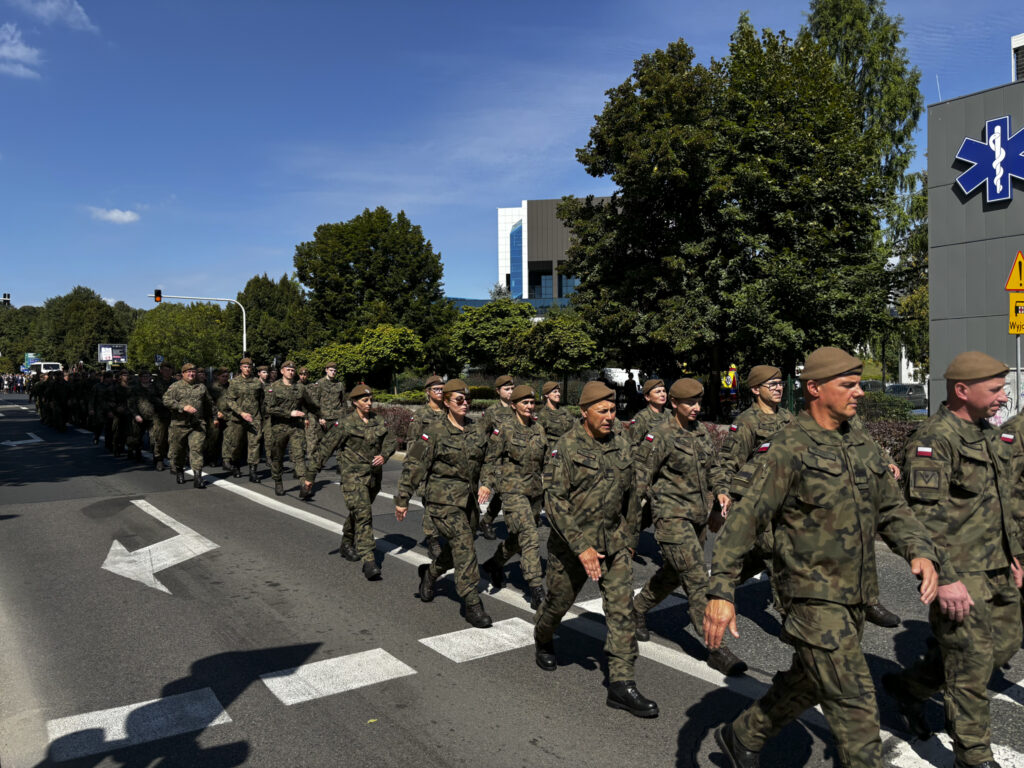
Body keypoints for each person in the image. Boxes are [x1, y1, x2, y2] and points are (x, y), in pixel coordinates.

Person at [704, 347, 948, 768]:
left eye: (858, 383)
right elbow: (745, 520)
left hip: (856, 593)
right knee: (857, 711)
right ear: (815, 388)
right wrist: (721, 589)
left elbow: (892, 507)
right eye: (848, 384)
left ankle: (745, 734)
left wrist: (918, 549)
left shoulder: (859, 441)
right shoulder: (788, 447)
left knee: (810, 679)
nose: (860, 392)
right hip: (810, 596)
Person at [882, 351, 1024, 768]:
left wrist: (1017, 555)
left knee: (1005, 645)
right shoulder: (934, 439)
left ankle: (909, 689)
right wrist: (944, 577)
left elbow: (1006, 502)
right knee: (971, 663)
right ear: (963, 390)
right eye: (995, 389)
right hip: (960, 571)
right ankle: (974, 757)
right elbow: (921, 518)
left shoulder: (985, 434)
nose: (1004, 397)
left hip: (998, 565)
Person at [534, 380, 658, 718]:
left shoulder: (621, 442)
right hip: (571, 547)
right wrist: (581, 547)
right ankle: (542, 636)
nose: (609, 416)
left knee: (621, 611)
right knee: (557, 604)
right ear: (584, 412)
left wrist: (630, 538)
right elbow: (554, 501)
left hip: (614, 543)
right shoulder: (567, 446)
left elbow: (633, 494)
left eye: (612, 409)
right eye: (602, 410)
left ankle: (621, 684)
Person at [633, 377, 748, 676]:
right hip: (671, 519)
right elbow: (640, 479)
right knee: (697, 578)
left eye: (699, 402)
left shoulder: (700, 434)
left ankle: (636, 609)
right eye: (690, 403)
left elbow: (716, 469)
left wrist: (721, 491)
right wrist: (629, 523)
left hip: (696, 519)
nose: (697, 408)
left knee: (673, 573)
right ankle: (716, 648)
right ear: (674, 404)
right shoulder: (659, 436)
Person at [395, 379, 492, 628]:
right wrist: (403, 498)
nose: (465, 403)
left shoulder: (476, 429)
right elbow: (414, 464)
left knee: (458, 548)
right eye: (459, 399)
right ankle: (472, 603)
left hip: (468, 501)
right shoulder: (433, 431)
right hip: (441, 501)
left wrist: (487, 482)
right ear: (447, 401)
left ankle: (430, 573)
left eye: (468, 399)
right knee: (465, 545)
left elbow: (491, 460)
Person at [479, 384, 548, 608]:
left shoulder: (538, 429)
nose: (529, 406)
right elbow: (491, 459)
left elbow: (546, 460)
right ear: (514, 405)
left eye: (532, 402)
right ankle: (536, 588)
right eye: (525, 403)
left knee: (519, 538)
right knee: (529, 535)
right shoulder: (505, 429)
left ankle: (494, 563)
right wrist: (487, 484)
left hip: (535, 492)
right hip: (512, 490)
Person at [332, 384, 396, 580]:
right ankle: (369, 560)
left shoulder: (378, 420)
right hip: (352, 476)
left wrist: (384, 455)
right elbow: (326, 446)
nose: (369, 403)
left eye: (370, 400)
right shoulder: (345, 423)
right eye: (365, 400)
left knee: (359, 510)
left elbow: (390, 440)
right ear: (354, 402)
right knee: (364, 515)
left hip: (373, 477)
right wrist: (309, 476)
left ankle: (346, 541)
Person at [264, 360, 321, 498]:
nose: (291, 372)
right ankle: (278, 481)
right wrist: (289, 413)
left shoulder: (300, 388)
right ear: (282, 371)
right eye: (288, 369)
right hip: (279, 427)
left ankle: (303, 484)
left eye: (292, 370)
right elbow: (269, 409)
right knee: (277, 457)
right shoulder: (273, 387)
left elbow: (311, 405)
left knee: (299, 456)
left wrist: (322, 417)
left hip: (296, 427)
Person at [406, 375, 447, 559]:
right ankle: (433, 541)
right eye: (436, 389)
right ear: (428, 392)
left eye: (442, 389)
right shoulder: (421, 415)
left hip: (447, 467)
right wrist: (414, 470)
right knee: (430, 506)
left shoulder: (449, 411)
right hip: (428, 468)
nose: (440, 392)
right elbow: (414, 443)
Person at [162, 363, 214, 488]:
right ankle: (180, 470)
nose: (191, 374)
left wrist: (216, 416)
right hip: (179, 425)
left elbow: (209, 404)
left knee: (197, 449)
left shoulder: (201, 387)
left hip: (197, 424)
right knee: (179, 451)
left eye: (193, 372)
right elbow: (166, 400)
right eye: (188, 372)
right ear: (183, 373)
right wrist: (182, 407)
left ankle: (198, 477)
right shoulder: (175, 386)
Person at [478, 374, 516, 540]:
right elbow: (481, 435)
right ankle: (487, 521)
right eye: (506, 389)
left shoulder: (518, 408)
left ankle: (488, 520)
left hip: (514, 459)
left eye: (512, 389)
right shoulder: (492, 412)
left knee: (505, 493)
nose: (510, 392)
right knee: (502, 492)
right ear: (498, 391)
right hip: (496, 459)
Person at [222, 357, 264, 482]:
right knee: (236, 445)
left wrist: (261, 416)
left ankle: (253, 471)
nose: (247, 369)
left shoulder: (257, 383)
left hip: (254, 418)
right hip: (238, 419)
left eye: (249, 367)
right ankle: (235, 466)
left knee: (254, 444)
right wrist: (241, 413)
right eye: (245, 367)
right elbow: (229, 400)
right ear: (241, 368)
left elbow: (261, 400)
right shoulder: (234, 382)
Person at [535, 381, 575, 449]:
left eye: (558, 391)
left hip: (568, 448)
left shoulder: (565, 411)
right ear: (546, 395)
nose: (558, 394)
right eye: (555, 392)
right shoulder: (543, 414)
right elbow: (540, 438)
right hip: (552, 452)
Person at [150, 362, 175, 470]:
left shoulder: (175, 383)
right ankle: (158, 458)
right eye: (165, 370)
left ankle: (173, 459)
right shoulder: (155, 383)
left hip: (173, 414)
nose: (167, 372)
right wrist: (165, 403)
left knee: (174, 438)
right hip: (160, 414)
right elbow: (152, 397)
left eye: (169, 370)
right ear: (161, 371)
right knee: (160, 437)